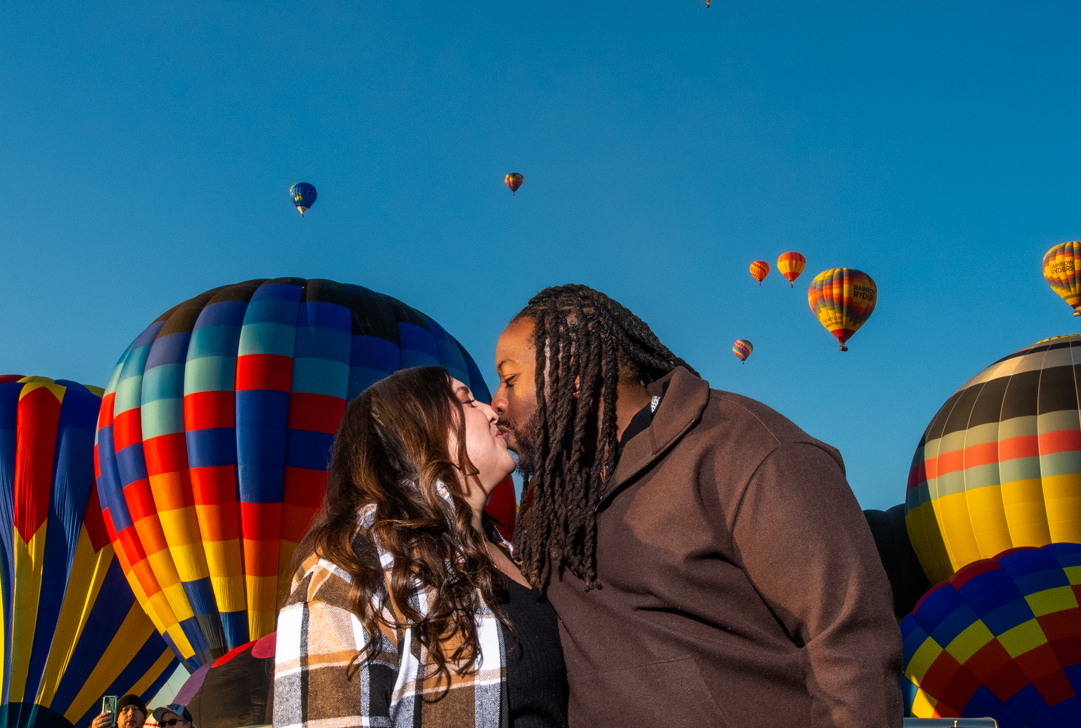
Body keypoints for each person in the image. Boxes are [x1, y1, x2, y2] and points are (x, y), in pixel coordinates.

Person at [491, 284, 903, 728]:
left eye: (510, 379)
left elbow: (851, 642)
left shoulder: (744, 448)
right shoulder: (550, 500)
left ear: (572, 372)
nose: (496, 402)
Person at [273, 365, 567, 728]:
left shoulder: (519, 557)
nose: (492, 410)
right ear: (416, 431)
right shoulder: (356, 562)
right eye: (467, 402)